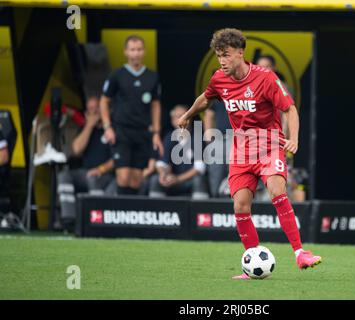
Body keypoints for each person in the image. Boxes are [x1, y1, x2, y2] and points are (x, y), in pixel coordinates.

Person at [177, 28, 321, 279]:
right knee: (240, 206)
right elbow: (206, 98)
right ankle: (252, 262)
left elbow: (290, 109)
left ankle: (300, 253)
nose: (222, 61)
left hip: (269, 144)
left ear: (241, 53)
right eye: (219, 55)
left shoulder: (265, 78)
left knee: (277, 190)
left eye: (227, 55)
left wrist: (294, 138)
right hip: (241, 150)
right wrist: (188, 115)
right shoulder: (219, 78)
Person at [100, 35, 163, 195]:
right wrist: (107, 127)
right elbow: (104, 101)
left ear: (144, 52)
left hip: (142, 132)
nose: (136, 53)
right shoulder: (117, 75)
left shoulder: (152, 76)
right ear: (126, 52)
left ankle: (132, 215)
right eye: (132, 50)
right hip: (122, 131)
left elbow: (155, 105)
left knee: (136, 178)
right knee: (123, 175)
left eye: (139, 49)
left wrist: (156, 133)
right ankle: (120, 214)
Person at [57, 95, 115, 228]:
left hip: (106, 173)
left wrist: (100, 169)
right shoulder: (86, 128)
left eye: (97, 109)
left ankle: (93, 220)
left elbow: (118, 159)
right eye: (91, 110)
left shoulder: (112, 129)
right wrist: (89, 126)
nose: (94, 112)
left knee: (92, 178)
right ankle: (69, 219)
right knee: (64, 176)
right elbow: (76, 150)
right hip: (85, 172)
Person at [148, 105, 209, 199]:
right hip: (172, 180)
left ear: (190, 119)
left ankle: (199, 211)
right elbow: (161, 163)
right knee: (156, 179)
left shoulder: (197, 137)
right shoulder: (169, 137)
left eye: (184, 116)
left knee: (199, 180)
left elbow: (199, 168)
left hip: (188, 181)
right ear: (172, 120)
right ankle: (157, 211)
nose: (181, 119)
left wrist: (178, 179)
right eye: (177, 116)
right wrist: (163, 174)